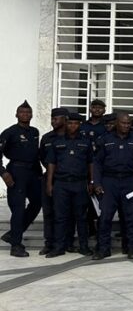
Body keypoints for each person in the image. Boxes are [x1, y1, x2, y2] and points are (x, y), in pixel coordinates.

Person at [93, 114, 133, 260]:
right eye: (123, 123)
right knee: (105, 217)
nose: (126, 126)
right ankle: (103, 249)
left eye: (129, 123)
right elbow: (97, 163)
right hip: (109, 181)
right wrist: (97, 183)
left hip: (130, 181)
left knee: (131, 217)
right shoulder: (105, 139)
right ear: (117, 123)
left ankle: (132, 248)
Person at [44, 112, 92, 258]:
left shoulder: (86, 141)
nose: (73, 126)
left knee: (81, 217)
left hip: (80, 183)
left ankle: (84, 246)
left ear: (80, 125)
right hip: (61, 184)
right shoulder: (56, 142)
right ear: (65, 124)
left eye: (76, 123)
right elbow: (51, 163)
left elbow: (91, 163)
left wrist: (91, 181)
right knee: (60, 217)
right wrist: (49, 183)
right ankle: (59, 247)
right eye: (70, 123)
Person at [38, 107, 68, 255]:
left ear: (64, 119)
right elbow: (43, 157)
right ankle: (49, 242)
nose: (53, 121)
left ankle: (65, 242)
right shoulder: (46, 138)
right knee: (49, 212)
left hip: (67, 179)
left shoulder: (72, 137)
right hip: (50, 179)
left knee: (65, 213)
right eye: (52, 118)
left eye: (56, 118)